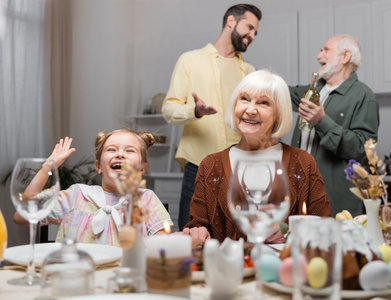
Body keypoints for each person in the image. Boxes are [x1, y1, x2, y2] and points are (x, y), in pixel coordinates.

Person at [182, 70, 332, 243]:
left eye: (263, 103)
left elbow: (324, 226)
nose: (251, 110)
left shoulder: (303, 163)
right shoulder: (210, 165)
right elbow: (198, 225)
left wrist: (291, 234)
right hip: (232, 268)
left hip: (284, 267)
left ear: (278, 114)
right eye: (244, 99)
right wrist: (198, 232)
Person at [161, 4, 262, 230]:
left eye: (256, 32)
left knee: (240, 236)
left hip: (240, 169)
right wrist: (194, 111)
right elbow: (169, 110)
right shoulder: (189, 60)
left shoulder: (249, 72)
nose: (253, 36)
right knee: (192, 234)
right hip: (198, 168)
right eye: (249, 27)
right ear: (231, 22)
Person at [14, 129, 173, 245]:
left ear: (142, 169)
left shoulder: (146, 199)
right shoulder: (76, 195)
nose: (120, 154)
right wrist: (47, 167)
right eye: (111, 149)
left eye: (129, 150)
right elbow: (22, 215)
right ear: (98, 166)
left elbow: (163, 247)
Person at [290, 34, 379, 217]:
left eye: (325, 50)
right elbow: (278, 91)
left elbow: (363, 150)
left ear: (345, 57)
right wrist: (249, 72)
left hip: (336, 203)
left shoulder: (363, 95)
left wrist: (321, 122)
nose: (318, 56)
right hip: (299, 193)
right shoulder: (313, 90)